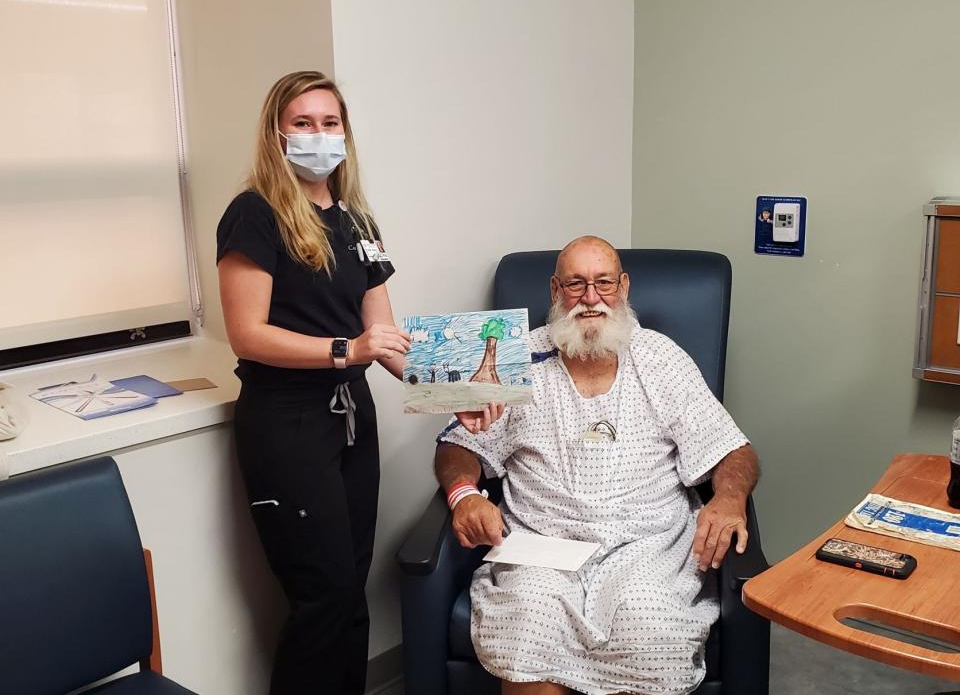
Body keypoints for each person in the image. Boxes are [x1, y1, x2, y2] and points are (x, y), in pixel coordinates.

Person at [434, 236, 760, 695]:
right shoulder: (515, 357)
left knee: (650, 628)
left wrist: (729, 497)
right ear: (554, 290)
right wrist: (463, 494)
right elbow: (457, 444)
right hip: (541, 545)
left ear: (623, 287)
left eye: (604, 282)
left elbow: (733, 450)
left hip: (648, 547)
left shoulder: (661, 358)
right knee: (529, 622)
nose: (590, 298)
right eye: (576, 284)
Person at [216, 70, 412, 694]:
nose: (318, 135)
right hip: (288, 422)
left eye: (330, 123)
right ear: (277, 133)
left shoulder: (357, 221)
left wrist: (455, 395)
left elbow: (382, 336)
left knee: (352, 593)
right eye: (303, 123)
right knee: (322, 600)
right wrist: (343, 350)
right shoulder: (254, 215)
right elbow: (246, 333)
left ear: (346, 134)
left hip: (352, 415)